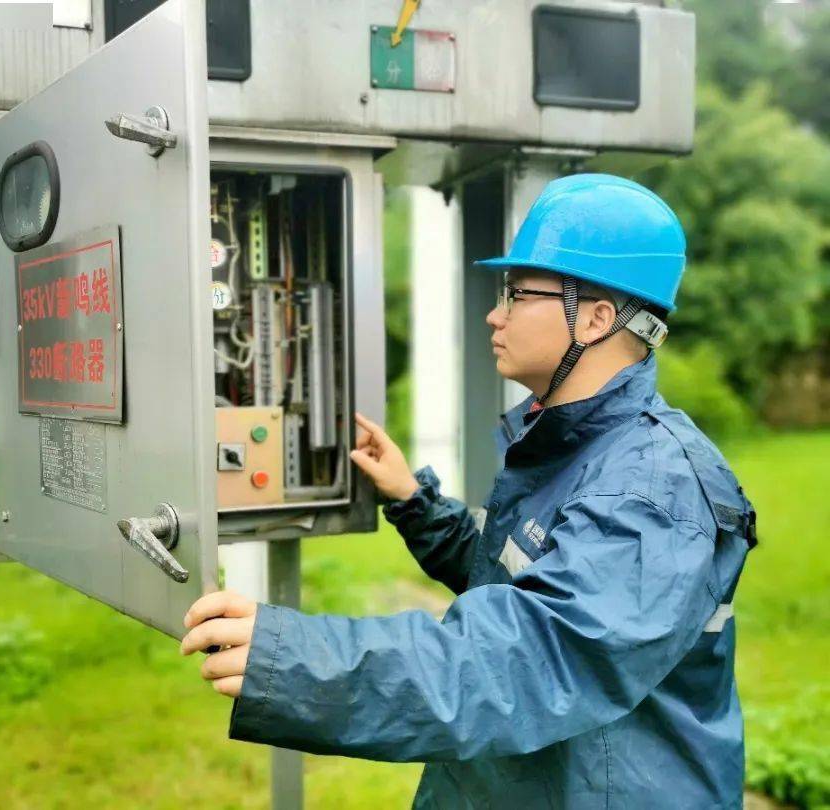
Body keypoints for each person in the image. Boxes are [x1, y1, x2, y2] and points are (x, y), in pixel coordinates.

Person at [180, 174, 757, 809]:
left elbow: (530, 660)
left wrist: (296, 660)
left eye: (517, 294)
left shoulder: (654, 490)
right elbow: (517, 580)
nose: (495, 313)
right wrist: (413, 502)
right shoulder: (570, 444)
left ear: (595, 319)